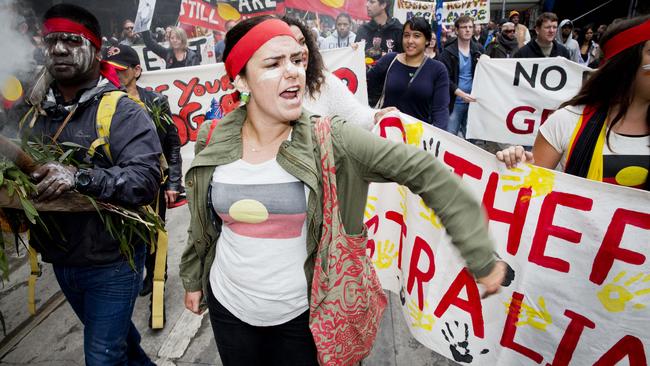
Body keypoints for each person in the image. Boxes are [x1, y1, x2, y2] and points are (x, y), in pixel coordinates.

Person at [180, 15, 507, 366]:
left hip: (305, 319)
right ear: (241, 78)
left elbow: (428, 172)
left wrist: (480, 254)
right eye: (274, 63)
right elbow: (202, 219)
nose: (293, 71)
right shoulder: (212, 137)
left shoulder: (331, 138)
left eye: (295, 59)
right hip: (229, 309)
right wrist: (193, 278)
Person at [19, 4, 161, 364]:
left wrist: (78, 177)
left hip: (113, 259)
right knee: (121, 345)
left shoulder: (123, 111)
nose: (60, 50)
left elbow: (145, 180)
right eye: (52, 41)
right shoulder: (35, 112)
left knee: (102, 356)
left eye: (71, 40)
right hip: (62, 260)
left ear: (96, 51)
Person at [497, 16, 650, 191]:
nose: (552, 30)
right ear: (626, 62)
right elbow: (526, 193)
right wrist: (517, 168)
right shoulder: (567, 121)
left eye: (554, 27)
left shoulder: (563, 50)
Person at [105, 44, 183, 327]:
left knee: (154, 236)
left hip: (153, 187)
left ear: (137, 71)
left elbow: (172, 143)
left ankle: (156, 281)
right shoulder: (102, 103)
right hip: (118, 187)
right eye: (110, 69)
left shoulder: (156, 102)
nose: (115, 74)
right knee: (127, 238)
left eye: (121, 70)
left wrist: (174, 181)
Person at [283, 16, 395, 130]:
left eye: (302, 42)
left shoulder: (324, 82)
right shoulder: (268, 90)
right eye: (292, 43)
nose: (301, 50)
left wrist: (375, 116)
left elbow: (354, 114)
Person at [367, 17, 450, 129]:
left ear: (427, 40)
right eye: (406, 35)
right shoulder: (389, 60)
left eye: (416, 36)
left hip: (417, 139)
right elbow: (363, 84)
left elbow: (440, 111)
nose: (410, 41)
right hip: (385, 136)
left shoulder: (438, 69)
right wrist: (354, 55)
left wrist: (437, 140)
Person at [440, 15, 483, 138]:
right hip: (455, 102)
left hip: (474, 101)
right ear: (457, 30)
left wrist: (486, 61)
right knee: (449, 136)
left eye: (470, 27)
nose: (468, 30)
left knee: (472, 138)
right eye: (464, 27)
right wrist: (460, 94)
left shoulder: (478, 49)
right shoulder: (447, 53)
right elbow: (444, 78)